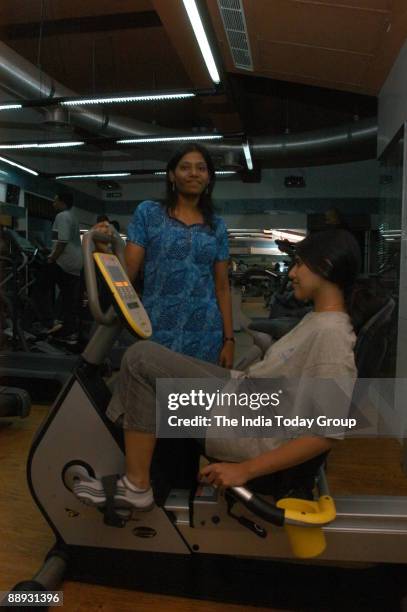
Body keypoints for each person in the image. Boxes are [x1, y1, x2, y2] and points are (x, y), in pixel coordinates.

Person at [74, 229, 377, 511]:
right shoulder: (319, 319)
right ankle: (153, 471)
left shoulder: (332, 335)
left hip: (242, 425)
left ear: (324, 266)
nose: (293, 273)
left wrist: (244, 470)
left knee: (140, 359)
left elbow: (325, 433)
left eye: (299, 265)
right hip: (242, 400)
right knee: (152, 360)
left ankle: (137, 484)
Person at [122, 143, 233, 366]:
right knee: (157, 397)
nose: (194, 173)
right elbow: (127, 275)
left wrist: (229, 340)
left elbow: (221, 286)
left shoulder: (217, 226)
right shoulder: (148, 213)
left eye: (201, 168)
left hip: (206, 332)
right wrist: (104, 251)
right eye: (185, 167)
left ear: (209, 177)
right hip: (158, 327)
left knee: (195, 398)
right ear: (172, 175)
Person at [45, 192, 83, 343]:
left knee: (40, 288)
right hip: (75, 263)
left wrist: (52, 258)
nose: (53, 204)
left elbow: (62, 241)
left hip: (64, 261)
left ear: (62, 202)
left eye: (55, 201)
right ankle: (69, 329)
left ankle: (46, 321)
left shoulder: (61, 216)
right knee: (69, 298)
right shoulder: (73, 217)